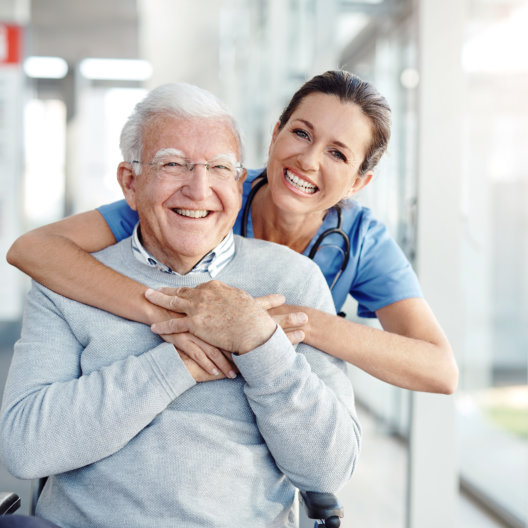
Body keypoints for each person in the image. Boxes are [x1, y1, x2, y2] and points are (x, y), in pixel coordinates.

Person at [0, 83, 360, 528]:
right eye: (173, 164)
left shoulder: (292, 279)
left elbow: (329, 469)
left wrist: (258, 344)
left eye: (219, 168)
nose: (198, 188)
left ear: (239, 183)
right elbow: (26, 447)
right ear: (130, 183)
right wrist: (180, 361)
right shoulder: (69, 280)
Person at [6, 70, 458, 393]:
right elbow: (34, 249)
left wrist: (298, 322)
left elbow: (439, 370)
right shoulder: (203, 196)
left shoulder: (359, 239)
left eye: (338, 154)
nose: (309, 160)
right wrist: (168, 313)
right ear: (276, 133)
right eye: (301, 133)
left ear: (359, 182)